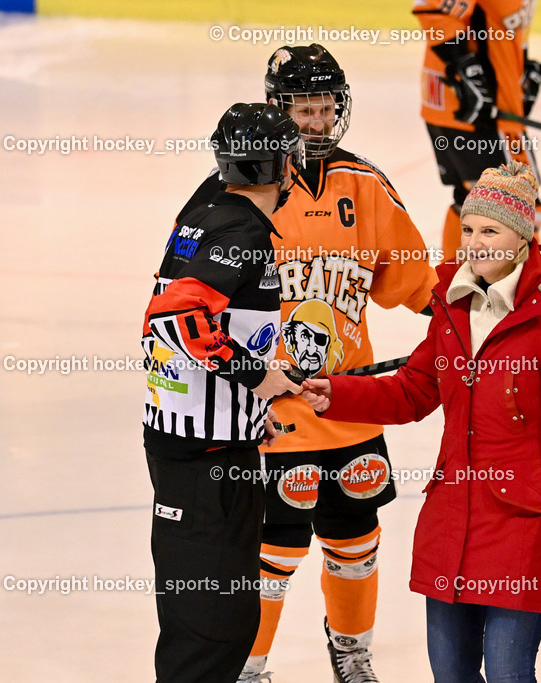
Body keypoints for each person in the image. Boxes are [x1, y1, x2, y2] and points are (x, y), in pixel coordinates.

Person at [301, 161, 541, 683]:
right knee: (450, 674)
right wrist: (338, 394)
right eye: (468, 230)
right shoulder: (454, 307)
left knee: (508, 671)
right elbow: (413, 392)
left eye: (490, 231)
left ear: (522, 237)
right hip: (452, 516)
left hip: (525, 524)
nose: (474, 243)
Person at [235, 44, 439, 683]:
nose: (318, 122)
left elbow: (413, 281)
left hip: (348, 404)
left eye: (326, 109)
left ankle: (352, 656)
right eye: (304, 110)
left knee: (355, 543)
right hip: (271, 409)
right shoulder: (246, 189)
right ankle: (250, 667)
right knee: (274, 549)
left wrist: (482, 304)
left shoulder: (364, 185)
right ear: (277, 109)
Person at [141, 102, 305, 682]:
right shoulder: (242, 230)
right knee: (210, 629)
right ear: (282, 166)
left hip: (205, 444)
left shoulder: (208, 204)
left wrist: (252, 407)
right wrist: (258, 378)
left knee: (223, 619)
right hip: (203, 458)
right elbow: (176, 319)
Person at [413, 0, 541, 261]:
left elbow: (503, 26)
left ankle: (454, 280)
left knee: (472, 203)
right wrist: (467, 71)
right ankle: (517, 286)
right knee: (517, 209)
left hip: (477, 109)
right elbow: (433, 8)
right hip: (468, 111)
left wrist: (518, 76)